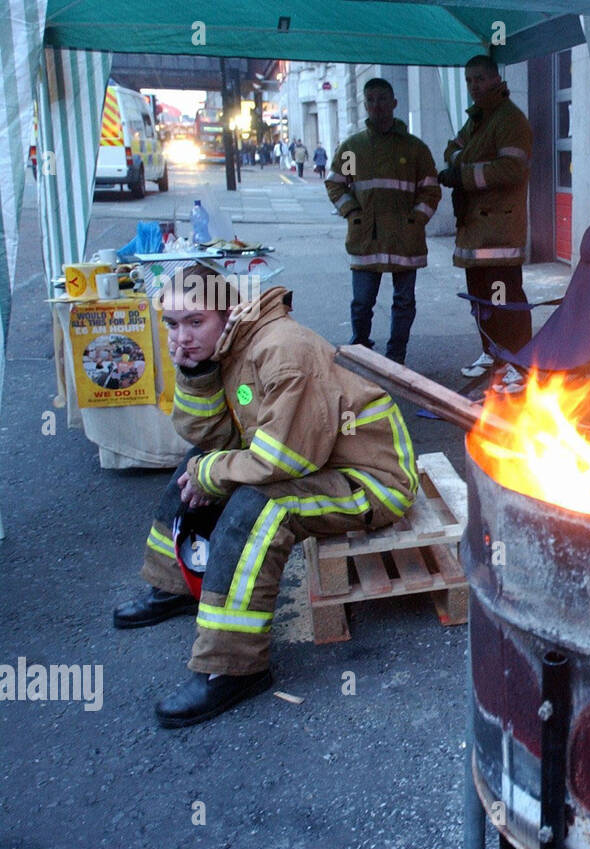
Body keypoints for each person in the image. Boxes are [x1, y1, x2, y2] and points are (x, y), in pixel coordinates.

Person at [111, 265, 419, 728]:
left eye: (196, 322)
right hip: (322, 461)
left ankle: (232, 668)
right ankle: (175, 585)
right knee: (196, 464)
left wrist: (212, 471)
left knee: (261, 508)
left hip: (370, 479)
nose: (183, 337)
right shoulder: (232, 346)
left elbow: (288, 457)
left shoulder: (281, 349)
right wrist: (196, 374)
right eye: (173, 325)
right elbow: (213, 435)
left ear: (229, 312)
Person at [325, 77, 440, 366]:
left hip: (405, 237)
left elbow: (431, 188)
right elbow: (336, 184)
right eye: (371, 100)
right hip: (367, 237)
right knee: (362, 303)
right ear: (366, 105)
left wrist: (418, 218)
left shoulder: (414, 149)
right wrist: (353, 213)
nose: (376, 105)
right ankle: (361, 350)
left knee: (403, 303)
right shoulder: (352, 148)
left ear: (394, 103)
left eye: (382, 99)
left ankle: (395, 357)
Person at [440, 55, 534, 388]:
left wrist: (463, 173)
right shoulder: (478, 120)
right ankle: (493, 352)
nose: (473, 86)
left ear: (496, 79)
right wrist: (463, 160)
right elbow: (451, 148)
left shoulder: (509, 120)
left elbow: (511, 169)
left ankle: (519, 364)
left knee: (505, 299)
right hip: (476, 231)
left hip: (499, 230)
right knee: (481, 299)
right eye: (468, 80)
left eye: (480, 79)